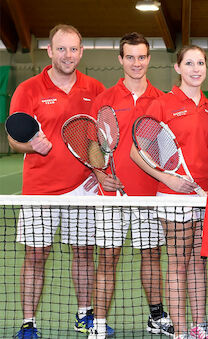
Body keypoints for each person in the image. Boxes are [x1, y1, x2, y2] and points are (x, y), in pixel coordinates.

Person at [7, 24, 106, 339]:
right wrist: (30, 145)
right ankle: (28, 323)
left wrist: (96, 169)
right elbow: (14, 139)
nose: (68, 55)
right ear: (49, 51)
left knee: (83, 252)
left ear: (81, 52)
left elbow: (96, 139)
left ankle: (84, 315)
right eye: (61, 48)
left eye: (73, 49)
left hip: (83, 189)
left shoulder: (95, 88)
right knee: (36, 256)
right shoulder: (29, 89)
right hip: (39, 189)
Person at [86, 32, 172, 338]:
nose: (136, 62)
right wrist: (99, 172)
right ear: (121, 59)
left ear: (149, 59)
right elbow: (94, 143)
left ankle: (156, 316)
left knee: (151, 255)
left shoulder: (162, 100)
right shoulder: (104, 100)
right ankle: (98, 324)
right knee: (108, 258)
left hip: (150, 194)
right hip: (111, 195)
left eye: (142, 56)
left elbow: (164, 147)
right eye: (130, 57)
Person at [130, 45, 208, 339]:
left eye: (201, 63)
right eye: (189, 63)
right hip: (173, 196)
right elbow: (136, 152)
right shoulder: (162, 105)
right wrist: (166, 179)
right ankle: (180, 330)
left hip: (203, 197)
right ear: (178, 68)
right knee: (178, 262)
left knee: (198, 261)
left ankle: (199, 325)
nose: (196, 69)